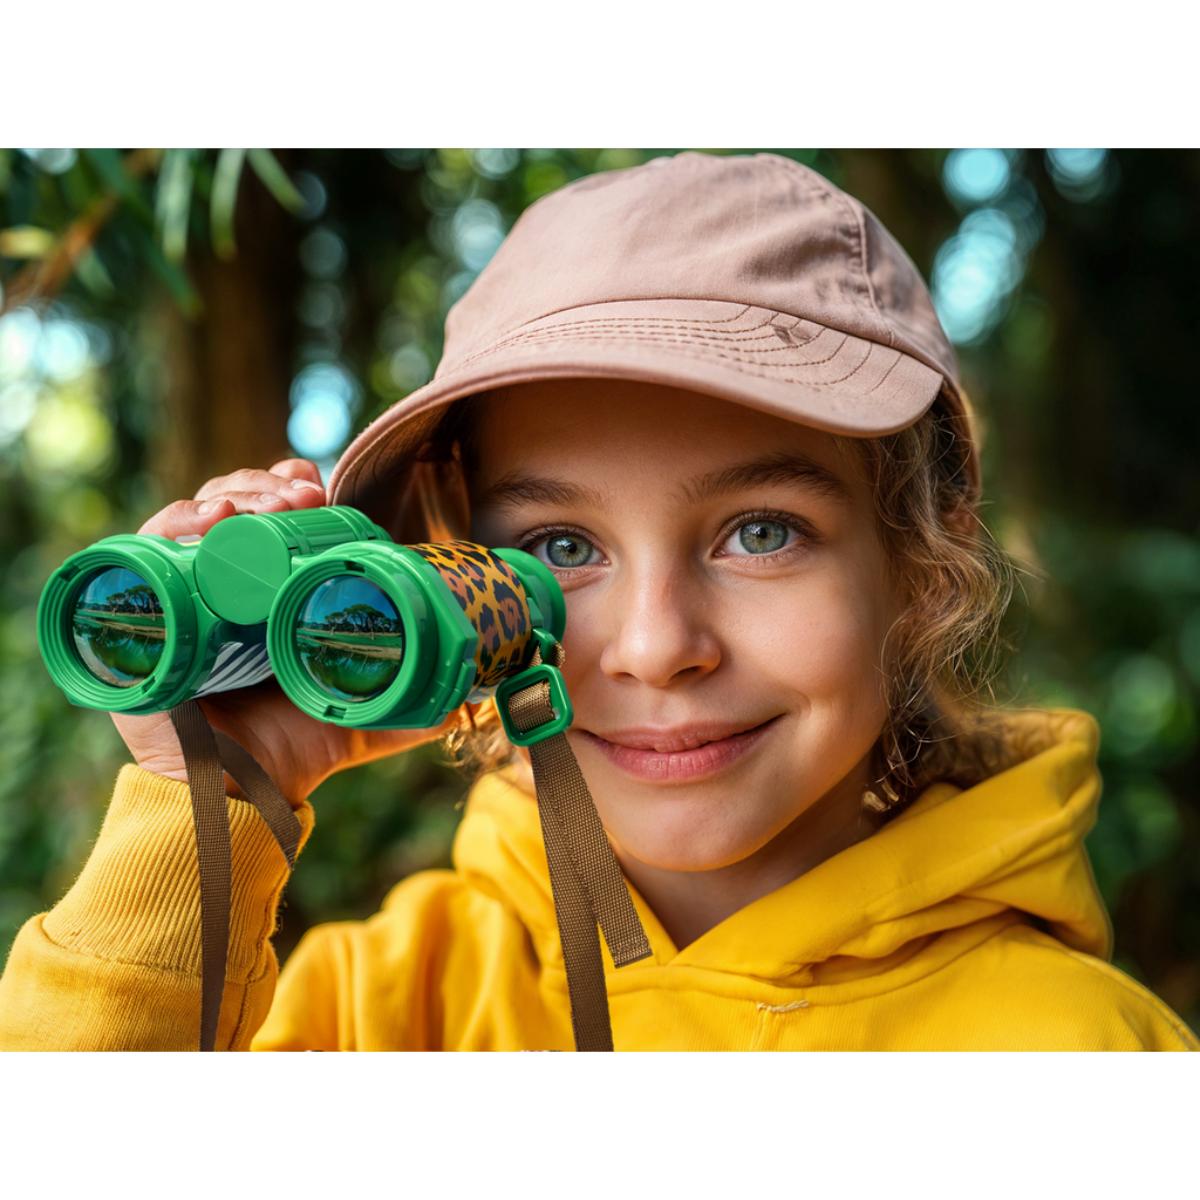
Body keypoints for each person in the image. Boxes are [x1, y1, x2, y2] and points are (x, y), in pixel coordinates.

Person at [1, 151, 1195, 1050]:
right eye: (560, 546)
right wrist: (206, 795)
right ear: (460, 590)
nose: (656, 645)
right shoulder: (389, 1010)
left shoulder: (1073, 1049)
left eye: (761, 533)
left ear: (917, 571)